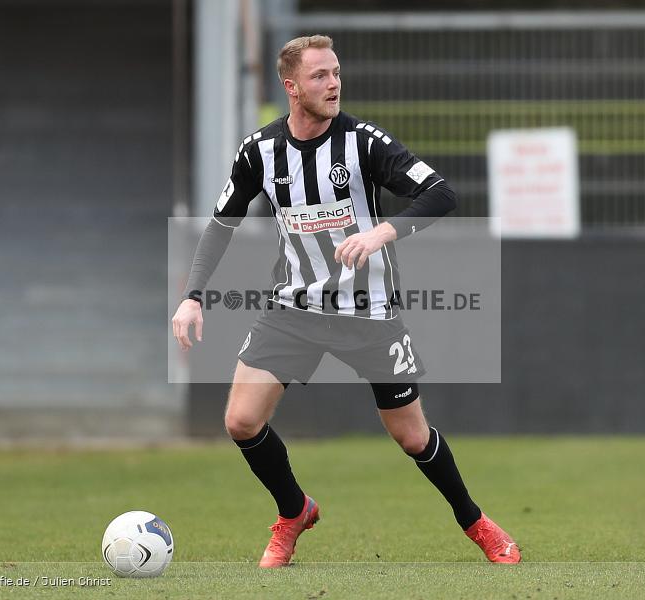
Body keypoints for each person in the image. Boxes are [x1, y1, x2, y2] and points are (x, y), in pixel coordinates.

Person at [171, 35, 519, 567]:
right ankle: (294, 512)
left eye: (335, 73)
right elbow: (221, 225)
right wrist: (193, 297)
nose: (333, 83)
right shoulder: (259, 152)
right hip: (294, 309)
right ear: (291, 87)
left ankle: (475, 522)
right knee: (241, 422)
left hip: (371, 313)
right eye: (319, 76)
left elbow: (442, 192)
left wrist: (384, 232)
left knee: (411, 436)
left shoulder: (362, 142)